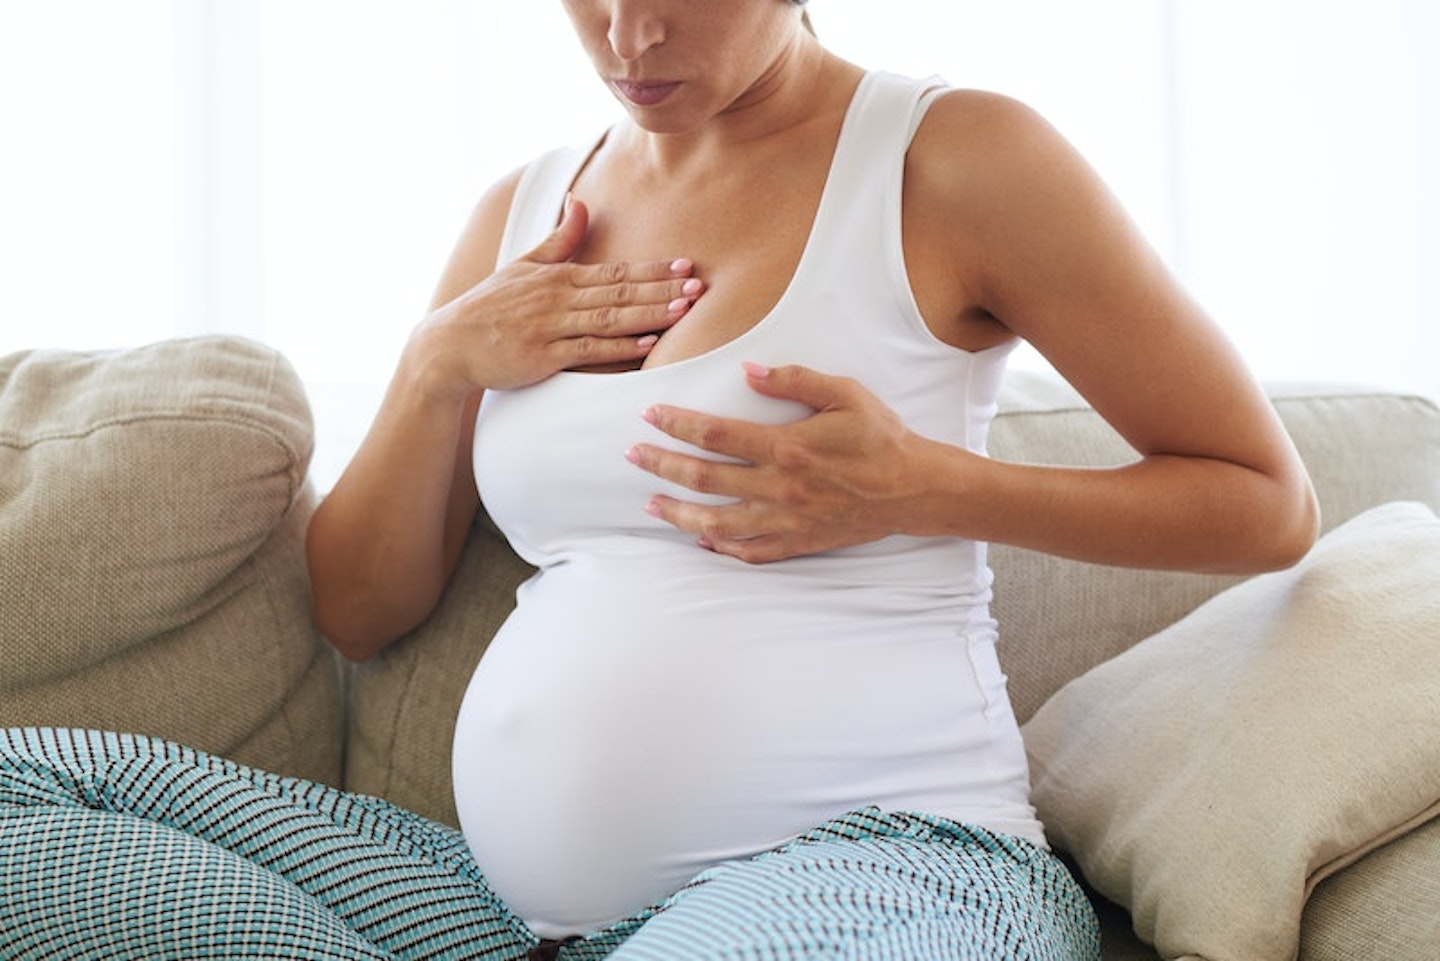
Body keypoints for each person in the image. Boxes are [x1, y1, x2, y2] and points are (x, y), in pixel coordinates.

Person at [1, 2, 1318, 959]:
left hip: (874, 875)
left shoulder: (949, 158)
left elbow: (1265, 500)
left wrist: (919, 484)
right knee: (25, 793)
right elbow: (357, 606)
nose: (629, 36)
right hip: (492, 914)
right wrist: (438, 363)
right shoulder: (523, 211)